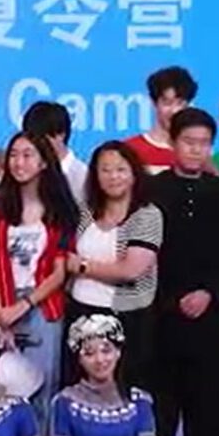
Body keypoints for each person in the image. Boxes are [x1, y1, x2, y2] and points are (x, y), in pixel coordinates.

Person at [148, 107, 219, 436]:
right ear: (173, 143)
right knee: (159, 404)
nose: (196, 150)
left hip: (210, 314)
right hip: (162, 314)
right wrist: (170, 299)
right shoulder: (151, 190)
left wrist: (210, 292)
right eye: (189, 142)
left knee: (210, 405)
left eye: (204, 143)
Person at [0, 131, 78, 420]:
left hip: (42, 307)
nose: (19, 162)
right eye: (14, 155)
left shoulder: (61, 209)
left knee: (41, 389)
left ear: (44, 162)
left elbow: (60, 271)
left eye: (27, 155)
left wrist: (24, 305)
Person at [63, 141, 163, 391]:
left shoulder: (147, 215)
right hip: (80, 313)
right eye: (105, 170)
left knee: (124, 389)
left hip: (126, 318)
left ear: (134, 173)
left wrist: (82, 266)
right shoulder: (86, 212)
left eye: (120, 169)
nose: (113, 176)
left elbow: (131, 270)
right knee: (79, 389)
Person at [124, 66, 196, 175]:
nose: (174, 111)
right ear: (154, 102)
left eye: (180, 103)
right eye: (167, 103)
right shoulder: (131, 150)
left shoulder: (197, 152)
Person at [24, 101, 88, 200]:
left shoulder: (83, 177)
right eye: (31, 139)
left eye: (42, 138)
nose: (36, 144)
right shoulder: (25, 172)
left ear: (61, 135)